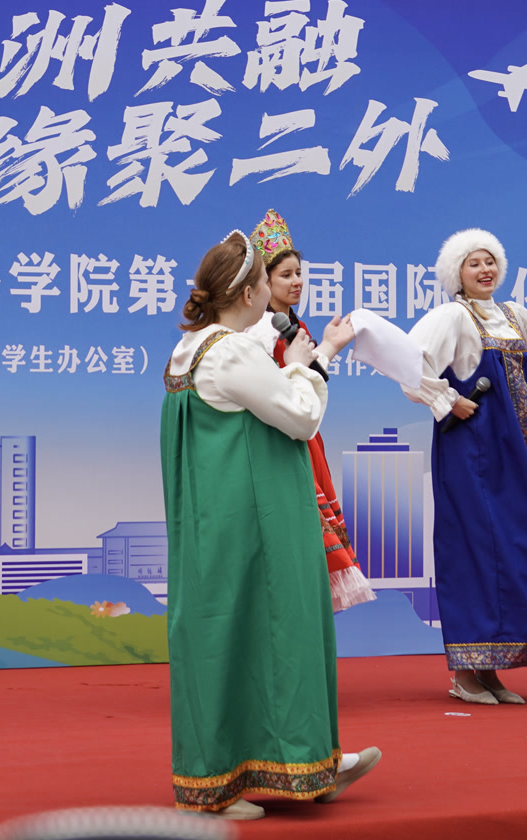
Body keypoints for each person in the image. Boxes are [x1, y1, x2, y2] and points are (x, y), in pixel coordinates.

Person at [160, 230, 381, 818]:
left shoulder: (192, 347)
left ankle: (305, 764)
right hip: (254, 521)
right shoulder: (230, 351)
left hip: (223, 519)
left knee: (246, 639)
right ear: (248, 293)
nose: (273, 291)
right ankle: (219, 785)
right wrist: (309, 366)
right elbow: (301, 417)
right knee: (270, 634)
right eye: (266, 280)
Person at [402, 228, 527, 705]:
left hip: (517, 450)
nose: (485, 270)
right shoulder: (452, 317)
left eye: (490, 261)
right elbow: (410, 364)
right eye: (473, 263)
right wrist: (447, 400)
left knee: (515, 547)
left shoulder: (516, 315)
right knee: (474, 548)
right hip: (470, 449)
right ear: (456, 273)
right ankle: (465, 672)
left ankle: (493, 667)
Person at [243, 208, 377, 613]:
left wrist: (329, 346)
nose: (296, 281)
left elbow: (304, 378)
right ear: (263, 282)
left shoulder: (291, 325)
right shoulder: (260, 330)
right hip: (278, 437)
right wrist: (323, 353)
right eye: (285, 274)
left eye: (299, 273)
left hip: (303, 435)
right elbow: (273, 387)